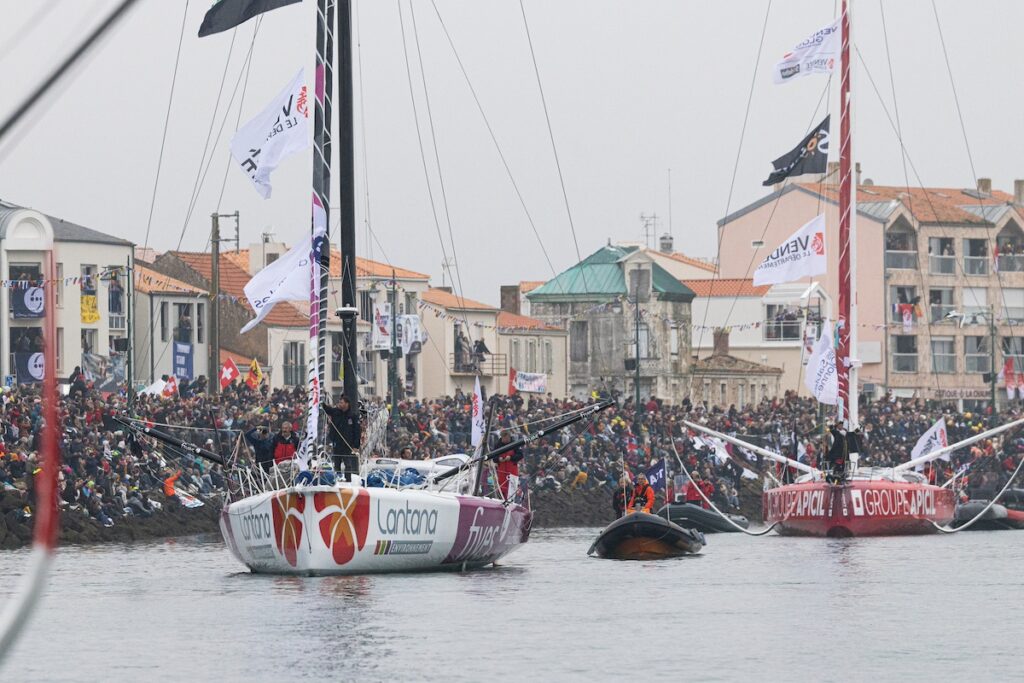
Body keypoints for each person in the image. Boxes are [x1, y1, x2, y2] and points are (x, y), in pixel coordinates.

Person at [323, 395, 360, 480]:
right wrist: (321, 402)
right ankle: (337, 479)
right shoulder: (336, 412)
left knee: (348, 464)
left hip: (347, 444)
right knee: (337, 463)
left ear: (347, 404)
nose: (339, 404)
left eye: (341, 402)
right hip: (337, 442)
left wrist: (356, 446)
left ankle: (348, 480)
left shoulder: (353, 416)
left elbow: (357, 431)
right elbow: (327, 409)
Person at [494, 431, 522, 499]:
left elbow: (520, 455)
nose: (506, 440)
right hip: (501, 471)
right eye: (504, 438)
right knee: (502, 488)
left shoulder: (515, 444)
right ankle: (501, 499)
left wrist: (511, 457)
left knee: (512, 489)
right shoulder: (497, 445)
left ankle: (511, 501)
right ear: (502, 437)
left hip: (512, 471)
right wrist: (498, 459)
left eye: (507, 438)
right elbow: (494, 457)